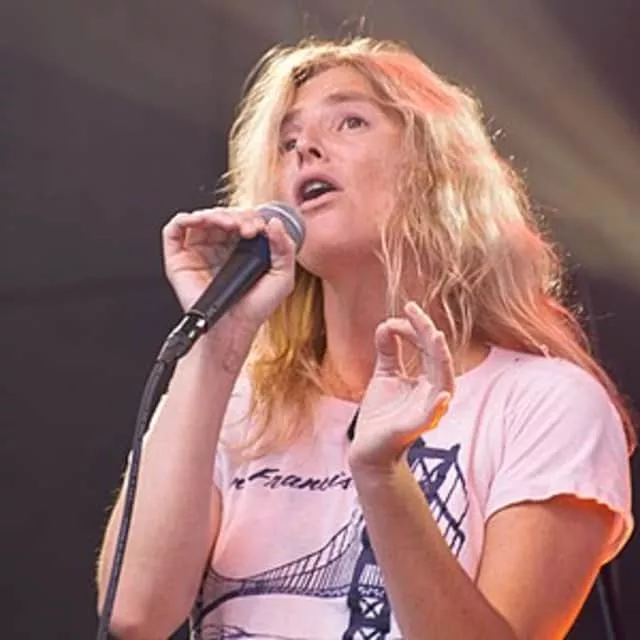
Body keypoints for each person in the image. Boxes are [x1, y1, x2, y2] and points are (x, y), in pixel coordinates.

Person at [96, 37, 635, 639]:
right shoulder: (239, 402)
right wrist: (218, 343)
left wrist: (380, 476)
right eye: (286, 141)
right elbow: (135, 615)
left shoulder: (543, 403)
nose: (305, 147)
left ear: (437, 171)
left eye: (350, 121)